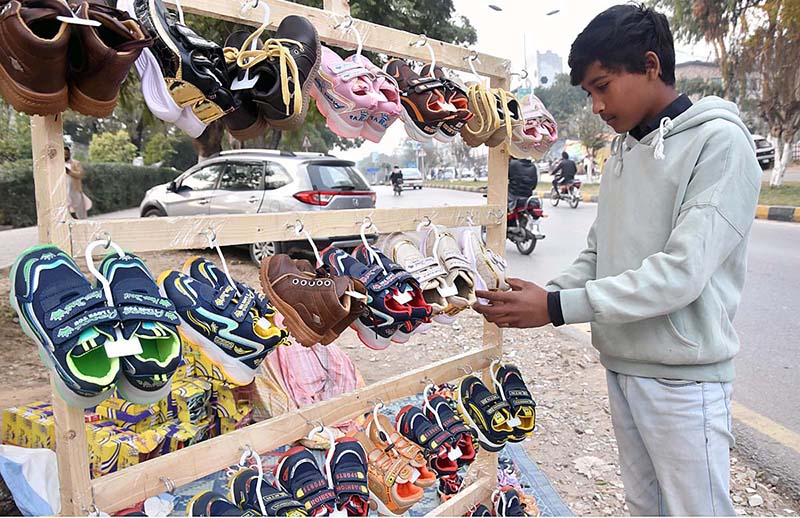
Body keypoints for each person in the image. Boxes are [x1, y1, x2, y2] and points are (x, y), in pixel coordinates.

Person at [473, 4, 761, 516]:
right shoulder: (625, 150)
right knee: (643, 506)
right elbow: (597, 252)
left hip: (683, 377)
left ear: (651, 65)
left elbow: (681, 273)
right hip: (623, 363)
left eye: (602, 86)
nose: (596, 106)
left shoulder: (719, 143)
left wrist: (557, 306)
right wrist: (537, 299)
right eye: (588, 93)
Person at [64, 145, 90, 219]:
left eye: (66, 154)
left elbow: (80, 174)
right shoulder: (57, 164)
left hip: (74, 189)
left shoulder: (75, 163)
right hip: (63, 189)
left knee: (79, 208)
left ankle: (83, 222)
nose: (65, 156)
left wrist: (69, 172)